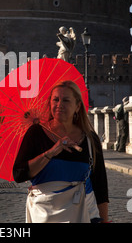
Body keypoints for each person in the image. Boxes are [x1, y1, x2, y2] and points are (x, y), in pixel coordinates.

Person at [13, 80, 109, 223]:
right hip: (44, 214)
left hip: (83, 212)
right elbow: (19, 173)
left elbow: (100, 185)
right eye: (55, 100)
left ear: (77, 106)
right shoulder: (36, 133)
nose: (59, 105)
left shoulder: (90, 139)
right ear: (50, 103)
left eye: (66, 100)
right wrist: (51, 152)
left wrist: (104, 220)